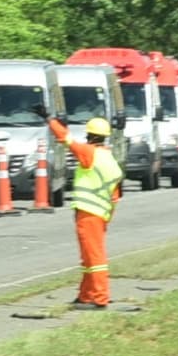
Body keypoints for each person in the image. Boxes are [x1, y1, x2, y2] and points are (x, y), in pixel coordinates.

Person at [38, 104, 124, 310]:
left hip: (89, 213)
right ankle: (86, 295)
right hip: (100, 213)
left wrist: (49, 119)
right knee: (88, 256)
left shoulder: (89, 153)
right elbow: (115, 195)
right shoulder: (108, 157)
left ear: (90, 136)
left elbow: (65, 138)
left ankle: (100, 298)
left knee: (95, 257)